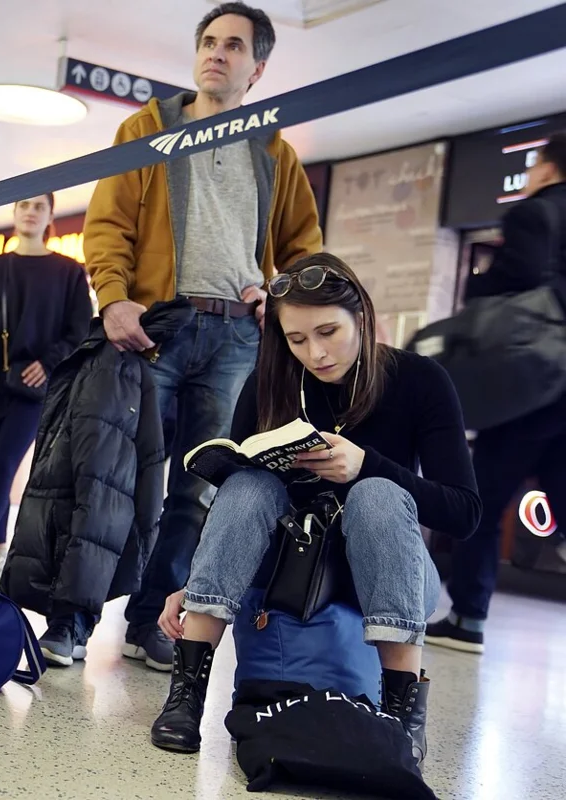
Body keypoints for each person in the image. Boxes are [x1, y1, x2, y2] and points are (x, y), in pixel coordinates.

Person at [149, 254, 480, 763]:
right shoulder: (272, 382)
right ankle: (187, 694)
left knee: (378, 493)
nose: (317, 353)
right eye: (297, 340)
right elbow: (236, 504)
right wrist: (194, 584)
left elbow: (464, 513)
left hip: (384, 566)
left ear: (362, 317)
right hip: (286, 566)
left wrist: (368, 465)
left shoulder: (420, 380)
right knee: (248, 483)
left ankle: (402, 711)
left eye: (328, 331)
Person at [83, 1, 323, 671]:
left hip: (236, 340)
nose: (217, 53)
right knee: (119, 478)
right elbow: (108, 224)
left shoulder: (274, 150)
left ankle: (149, 622)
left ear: (258, 66)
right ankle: (73, 619)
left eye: (233, 46)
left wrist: (279, 295)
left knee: (196, 489)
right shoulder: (148, 129)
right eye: (209, 42)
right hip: (159, 326)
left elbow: (303, 244)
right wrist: (113, 298)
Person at [426, 132, 566, 655]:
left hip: (532, 382)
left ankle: (468, 617)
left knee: (483, 495)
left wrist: (479, 285)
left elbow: (519, 277)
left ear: (549, 169)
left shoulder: (536, 214)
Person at [0, 194, 93, 587]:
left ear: (49, 216)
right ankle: (0, 551)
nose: (30, 211)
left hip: (35, 389)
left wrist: (48, 362)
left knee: (6, 464)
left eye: (38, 207)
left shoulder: (69, 272)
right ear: (13, 213)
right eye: (23, 205)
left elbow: (79, 330)